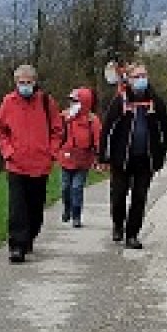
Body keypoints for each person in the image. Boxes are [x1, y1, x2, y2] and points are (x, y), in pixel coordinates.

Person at [0, 64, 63, 263]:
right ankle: (17, 246)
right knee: (17, 207)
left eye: (28, 82)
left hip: (40, 164)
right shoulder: (8, 102)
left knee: (35, 207)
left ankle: (30, 236)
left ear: (35, 82)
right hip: (16, 164)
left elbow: (58, 130)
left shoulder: (46, 102)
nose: (25, 86)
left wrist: (52, 151)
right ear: (15, 83)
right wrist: (8, 151)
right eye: (21, 83)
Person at [98, 63, 167, 250]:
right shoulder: (120, 102)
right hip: (121, 159)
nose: (141, 80)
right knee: (119, 195)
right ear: (128, 80)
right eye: (137, 76)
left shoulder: (156, 102)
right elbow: (107, 130)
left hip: (145, 160)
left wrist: (160, 155)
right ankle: (118, 224)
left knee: (140, 197)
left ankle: (132, 234)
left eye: (144, 76)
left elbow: (165, 130)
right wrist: (104, 157)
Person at [57, 87, 102, 228]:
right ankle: (67, 208)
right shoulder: (64, 117)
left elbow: (98, 140)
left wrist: (98, 158)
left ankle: (76, 216)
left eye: (76, 101)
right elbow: (56, 134)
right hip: (65, 158)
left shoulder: (92, 120)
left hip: (83, 160)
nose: (72, 104)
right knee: (65, 187)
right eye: (71, 101)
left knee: (77, 188)